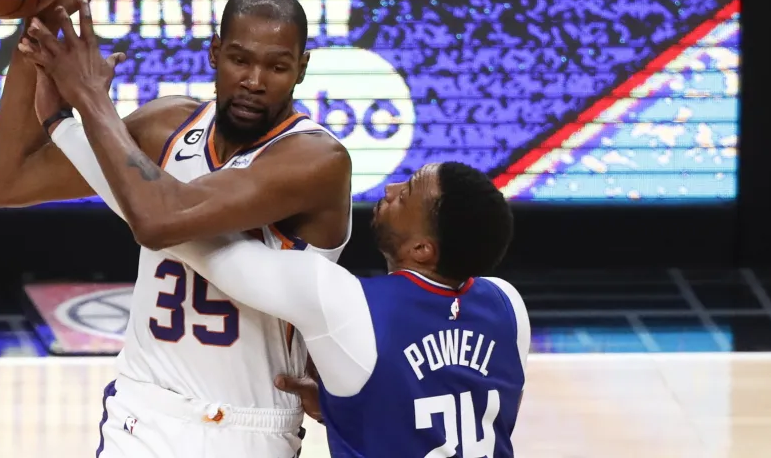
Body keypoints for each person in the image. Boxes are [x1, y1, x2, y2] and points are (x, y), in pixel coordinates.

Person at [0, 0, 352, 457]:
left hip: (249, 427)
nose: (254, 81)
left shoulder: (315, 159)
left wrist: (88, 100)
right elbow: (7, 182)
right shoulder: (165, 125)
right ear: (214, 54)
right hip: (142, 413)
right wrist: (40, 18)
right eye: (239, 59)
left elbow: (160, 220)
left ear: (301, 68)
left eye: (276, 66)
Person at [160, 161, 529, 458]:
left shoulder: (347, 304)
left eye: (406, 195)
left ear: (422, 250)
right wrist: (351, 406)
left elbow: (211, 250)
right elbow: (451, 401)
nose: (390, 190)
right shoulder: (508, 306)